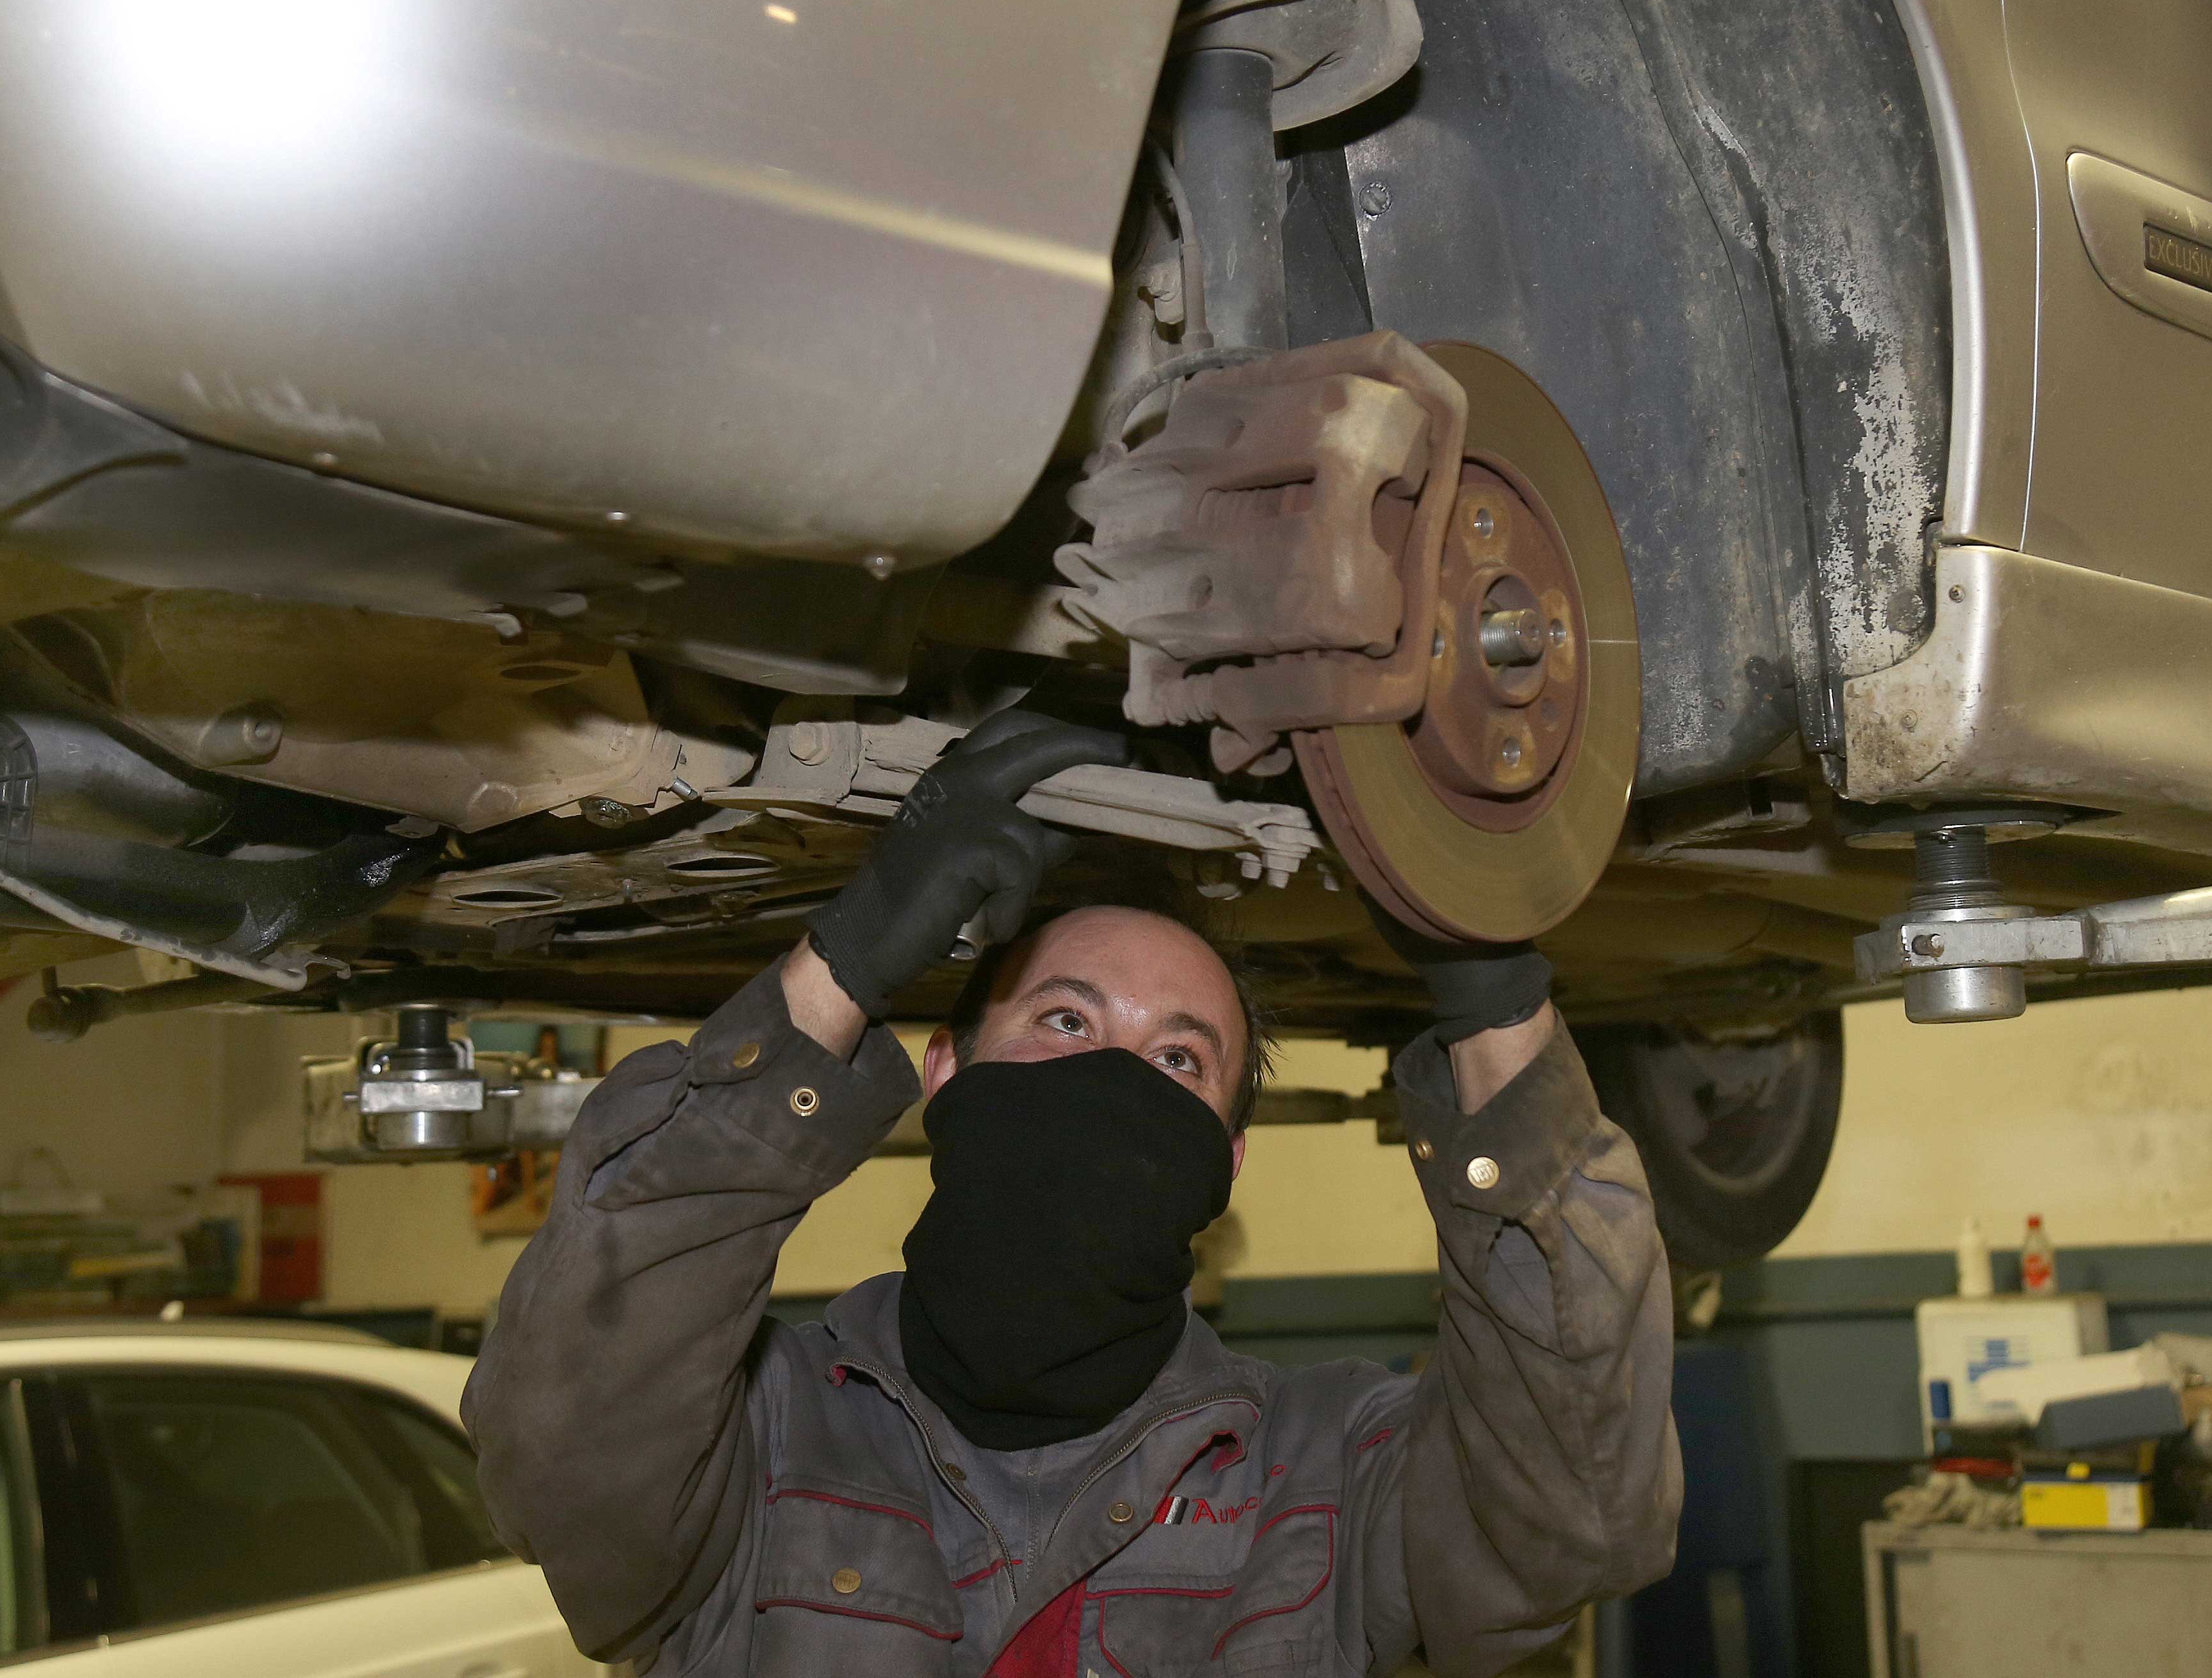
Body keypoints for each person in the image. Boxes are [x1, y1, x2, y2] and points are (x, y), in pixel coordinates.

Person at [464, 710, 1681, 1675]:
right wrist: (851, 955)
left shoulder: (1326, 1474)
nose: (1109, 1077)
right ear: (944, 1071)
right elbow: (560, 1436)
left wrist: (1493, 1000)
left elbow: (1573, 1520)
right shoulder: (748, 1440)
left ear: (1227, 1158)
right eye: (1062, 1018)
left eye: (1175, 1059)